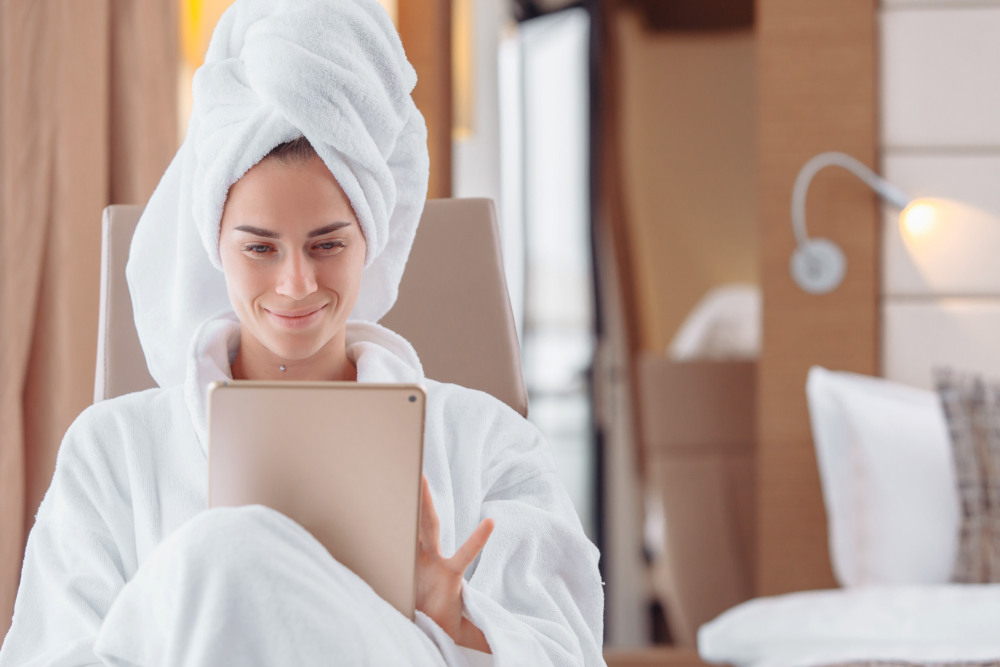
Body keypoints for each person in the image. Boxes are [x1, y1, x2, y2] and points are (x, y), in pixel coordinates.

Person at [0, 1, 605, 665]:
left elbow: (568, 652)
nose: (295, 284)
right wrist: (202, 597)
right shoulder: (110, 454)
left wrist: (452, 621)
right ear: (214, 242)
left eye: (327, 244)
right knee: (224, 554)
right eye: (260, 248)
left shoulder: (489, 447)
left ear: (371, 237)